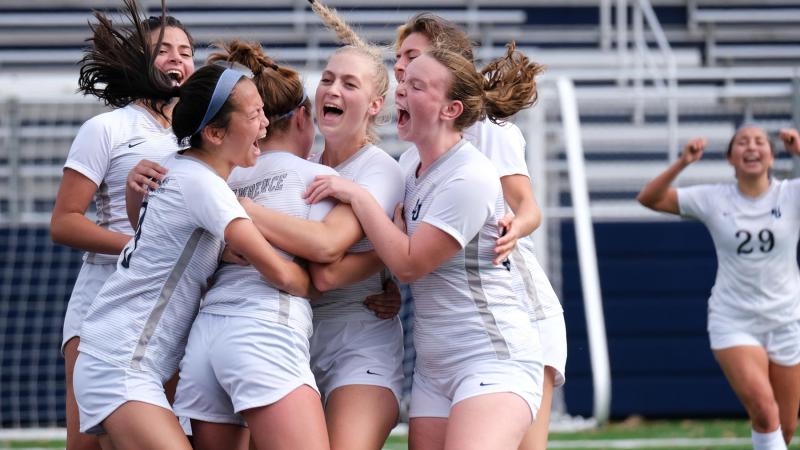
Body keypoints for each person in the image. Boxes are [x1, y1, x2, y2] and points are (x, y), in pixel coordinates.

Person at [304, 46, 544, 450]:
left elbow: (411, 262)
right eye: (403, 81)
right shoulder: (409, 165)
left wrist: (359, 198)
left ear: (450, 110)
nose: (401, 90)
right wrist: (387, 283)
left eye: (415, 86)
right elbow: (397, 252)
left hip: (490, 357)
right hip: (433, 367)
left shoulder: (470, 176)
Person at [72, 60, 316, 450]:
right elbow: (284, 276)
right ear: (215, 133)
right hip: (121, 363)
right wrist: (328, 278)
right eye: (255, 115)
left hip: (116, 357)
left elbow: (153, 233)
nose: (266, 125)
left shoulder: (178, 167)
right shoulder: (208, 187)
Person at [391, 13, 566, 450]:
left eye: (412, 57)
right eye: (398, 59)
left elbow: (528, 208)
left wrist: (514, 226)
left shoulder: (489, 132)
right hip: (453, 326)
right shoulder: (416, 152)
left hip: (518, 305)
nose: (399, 67)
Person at [236, 3, 405, 448]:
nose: (332, 88)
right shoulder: (299, 165)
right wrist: (385, 255)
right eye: (328, 78)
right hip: (292, 337)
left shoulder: (379, 171)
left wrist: (240, 212)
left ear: (374, 105)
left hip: (359, 339)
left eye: (349, 83)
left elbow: (326, 271)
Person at [172, 40, 331, 450]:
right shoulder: (315, 176)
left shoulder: (218, 172)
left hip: (204, 339)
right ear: (302, 118)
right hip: (265, 329)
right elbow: (327, 253)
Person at [50, 3, 194, 448]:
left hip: (171, 307)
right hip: (101, 301)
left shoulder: (200, 134)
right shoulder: (106, 128)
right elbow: (64, 222)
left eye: (186, 51)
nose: (178, 58)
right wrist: (137, 245)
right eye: (164, 49)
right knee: (89, 445)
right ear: (138, 60)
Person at [637, 126, 800, 450]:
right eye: (742, 142)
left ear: (771, 155)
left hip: (787, 319)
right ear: (730, 158)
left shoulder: (791, 194)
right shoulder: (713, 198)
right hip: (735, 320)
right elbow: (649, 198)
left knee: (784, 428)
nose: (751, 147)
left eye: (759, 142)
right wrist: (683, 162)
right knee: (765, 413)